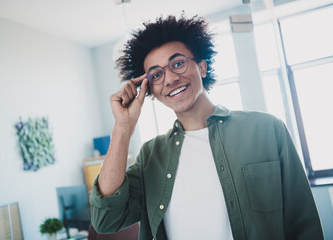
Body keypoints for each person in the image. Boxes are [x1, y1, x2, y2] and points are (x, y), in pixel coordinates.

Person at [90, 14, 324, 240]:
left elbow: (303, 223)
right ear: (151, 90)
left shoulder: (267, 129)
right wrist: (123, 127)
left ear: (201, 67)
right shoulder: (151, 155)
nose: (170, 79)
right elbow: (106, 219)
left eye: (178, 63)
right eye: (157, 75)